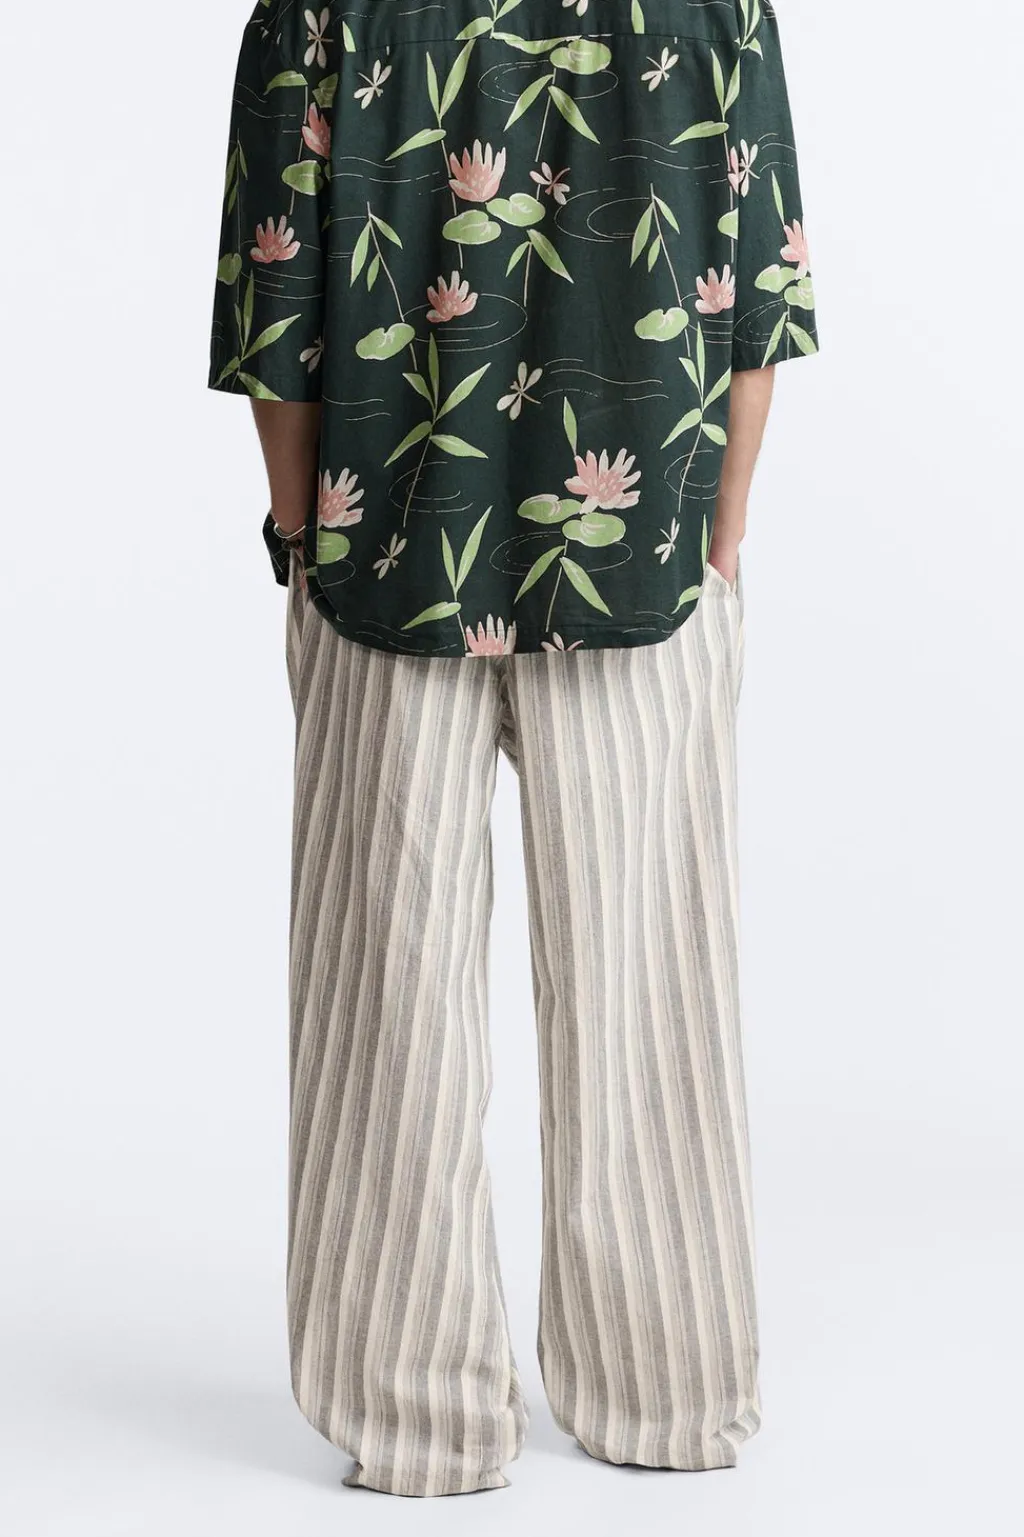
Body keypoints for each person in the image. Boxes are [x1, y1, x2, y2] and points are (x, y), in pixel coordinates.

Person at [208, 0, 818, 1498]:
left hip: (381, 566)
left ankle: (412, 1420)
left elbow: (277, 314)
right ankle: (666, 1396)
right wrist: (722, 538)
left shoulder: (317, 11)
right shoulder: (715, 8)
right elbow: (759, 299)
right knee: (651, 996)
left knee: (383, 998)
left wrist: (300, 540)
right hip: (649, 565)